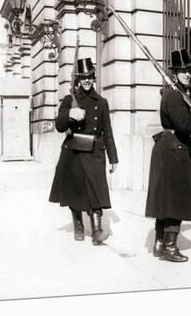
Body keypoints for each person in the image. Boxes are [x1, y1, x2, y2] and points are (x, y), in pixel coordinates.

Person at [145, 49, 191, 262]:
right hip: (173, 150)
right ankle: (170, 247)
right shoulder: (174, 96)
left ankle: (159, 244)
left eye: (188, 70)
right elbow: (184, 124)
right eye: (182, 70)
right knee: (176, 199)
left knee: (166, 199)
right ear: (174, 74)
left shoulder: (175, 94)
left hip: (170, 148)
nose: (187, 73)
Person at [49, 58, 118, 246]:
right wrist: (70, 114)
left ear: (94, 78)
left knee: (97, 189)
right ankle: (78, 226)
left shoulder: (101, 102)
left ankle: (97, 231)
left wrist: (113, 157)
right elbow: (59, 125)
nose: (87, 80)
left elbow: (108, 131)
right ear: (78, 80)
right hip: (73, 152)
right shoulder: (70, 100)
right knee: (76, 191)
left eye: (90, 77)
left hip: (95, 150)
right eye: (84, 77)